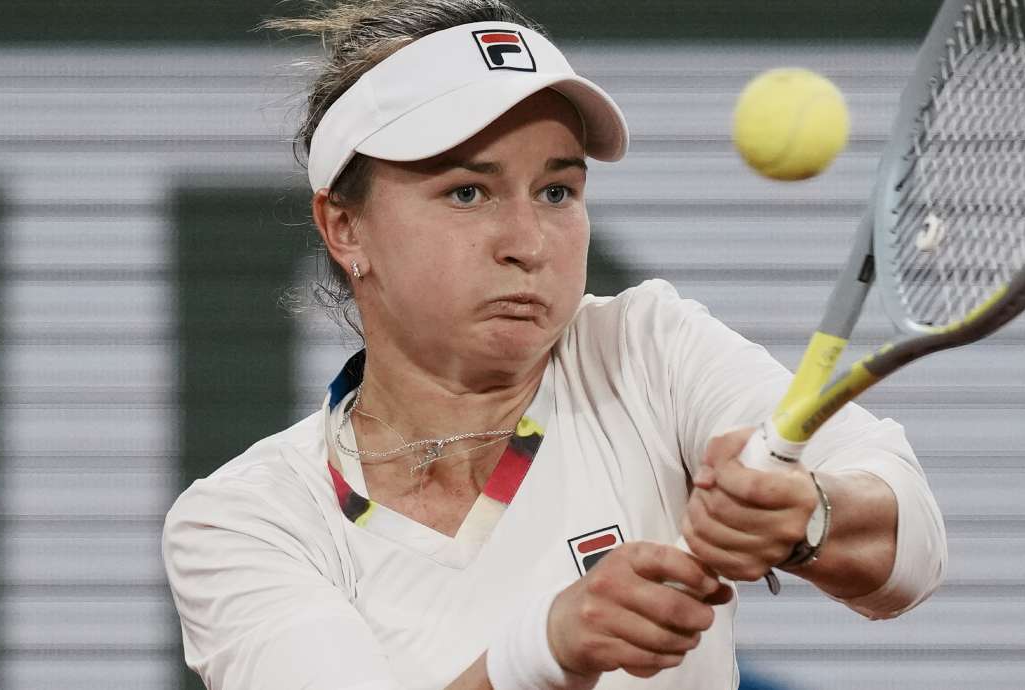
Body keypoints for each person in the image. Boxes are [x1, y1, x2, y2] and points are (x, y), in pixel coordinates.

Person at [161, 1, 947, 689]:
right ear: (343, 226)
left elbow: (908, 542)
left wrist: (808, 515)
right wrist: (544, 651)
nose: (528, 242)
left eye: (557, 191)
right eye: (467, 191)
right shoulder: (247, 520)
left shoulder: (645, 348)